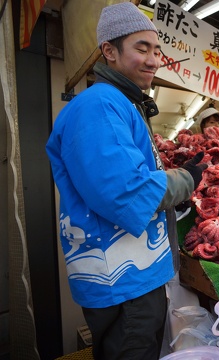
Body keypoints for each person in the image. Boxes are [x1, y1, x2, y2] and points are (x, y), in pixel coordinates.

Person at [45, 3, 207, 359]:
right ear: (109, 51)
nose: (153, 60)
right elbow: (126, 191)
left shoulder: (121, 103)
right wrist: (187, 178)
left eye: (157, 51)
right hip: (122, 278)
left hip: (132, 272)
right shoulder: (99, 105)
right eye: (141, 48)